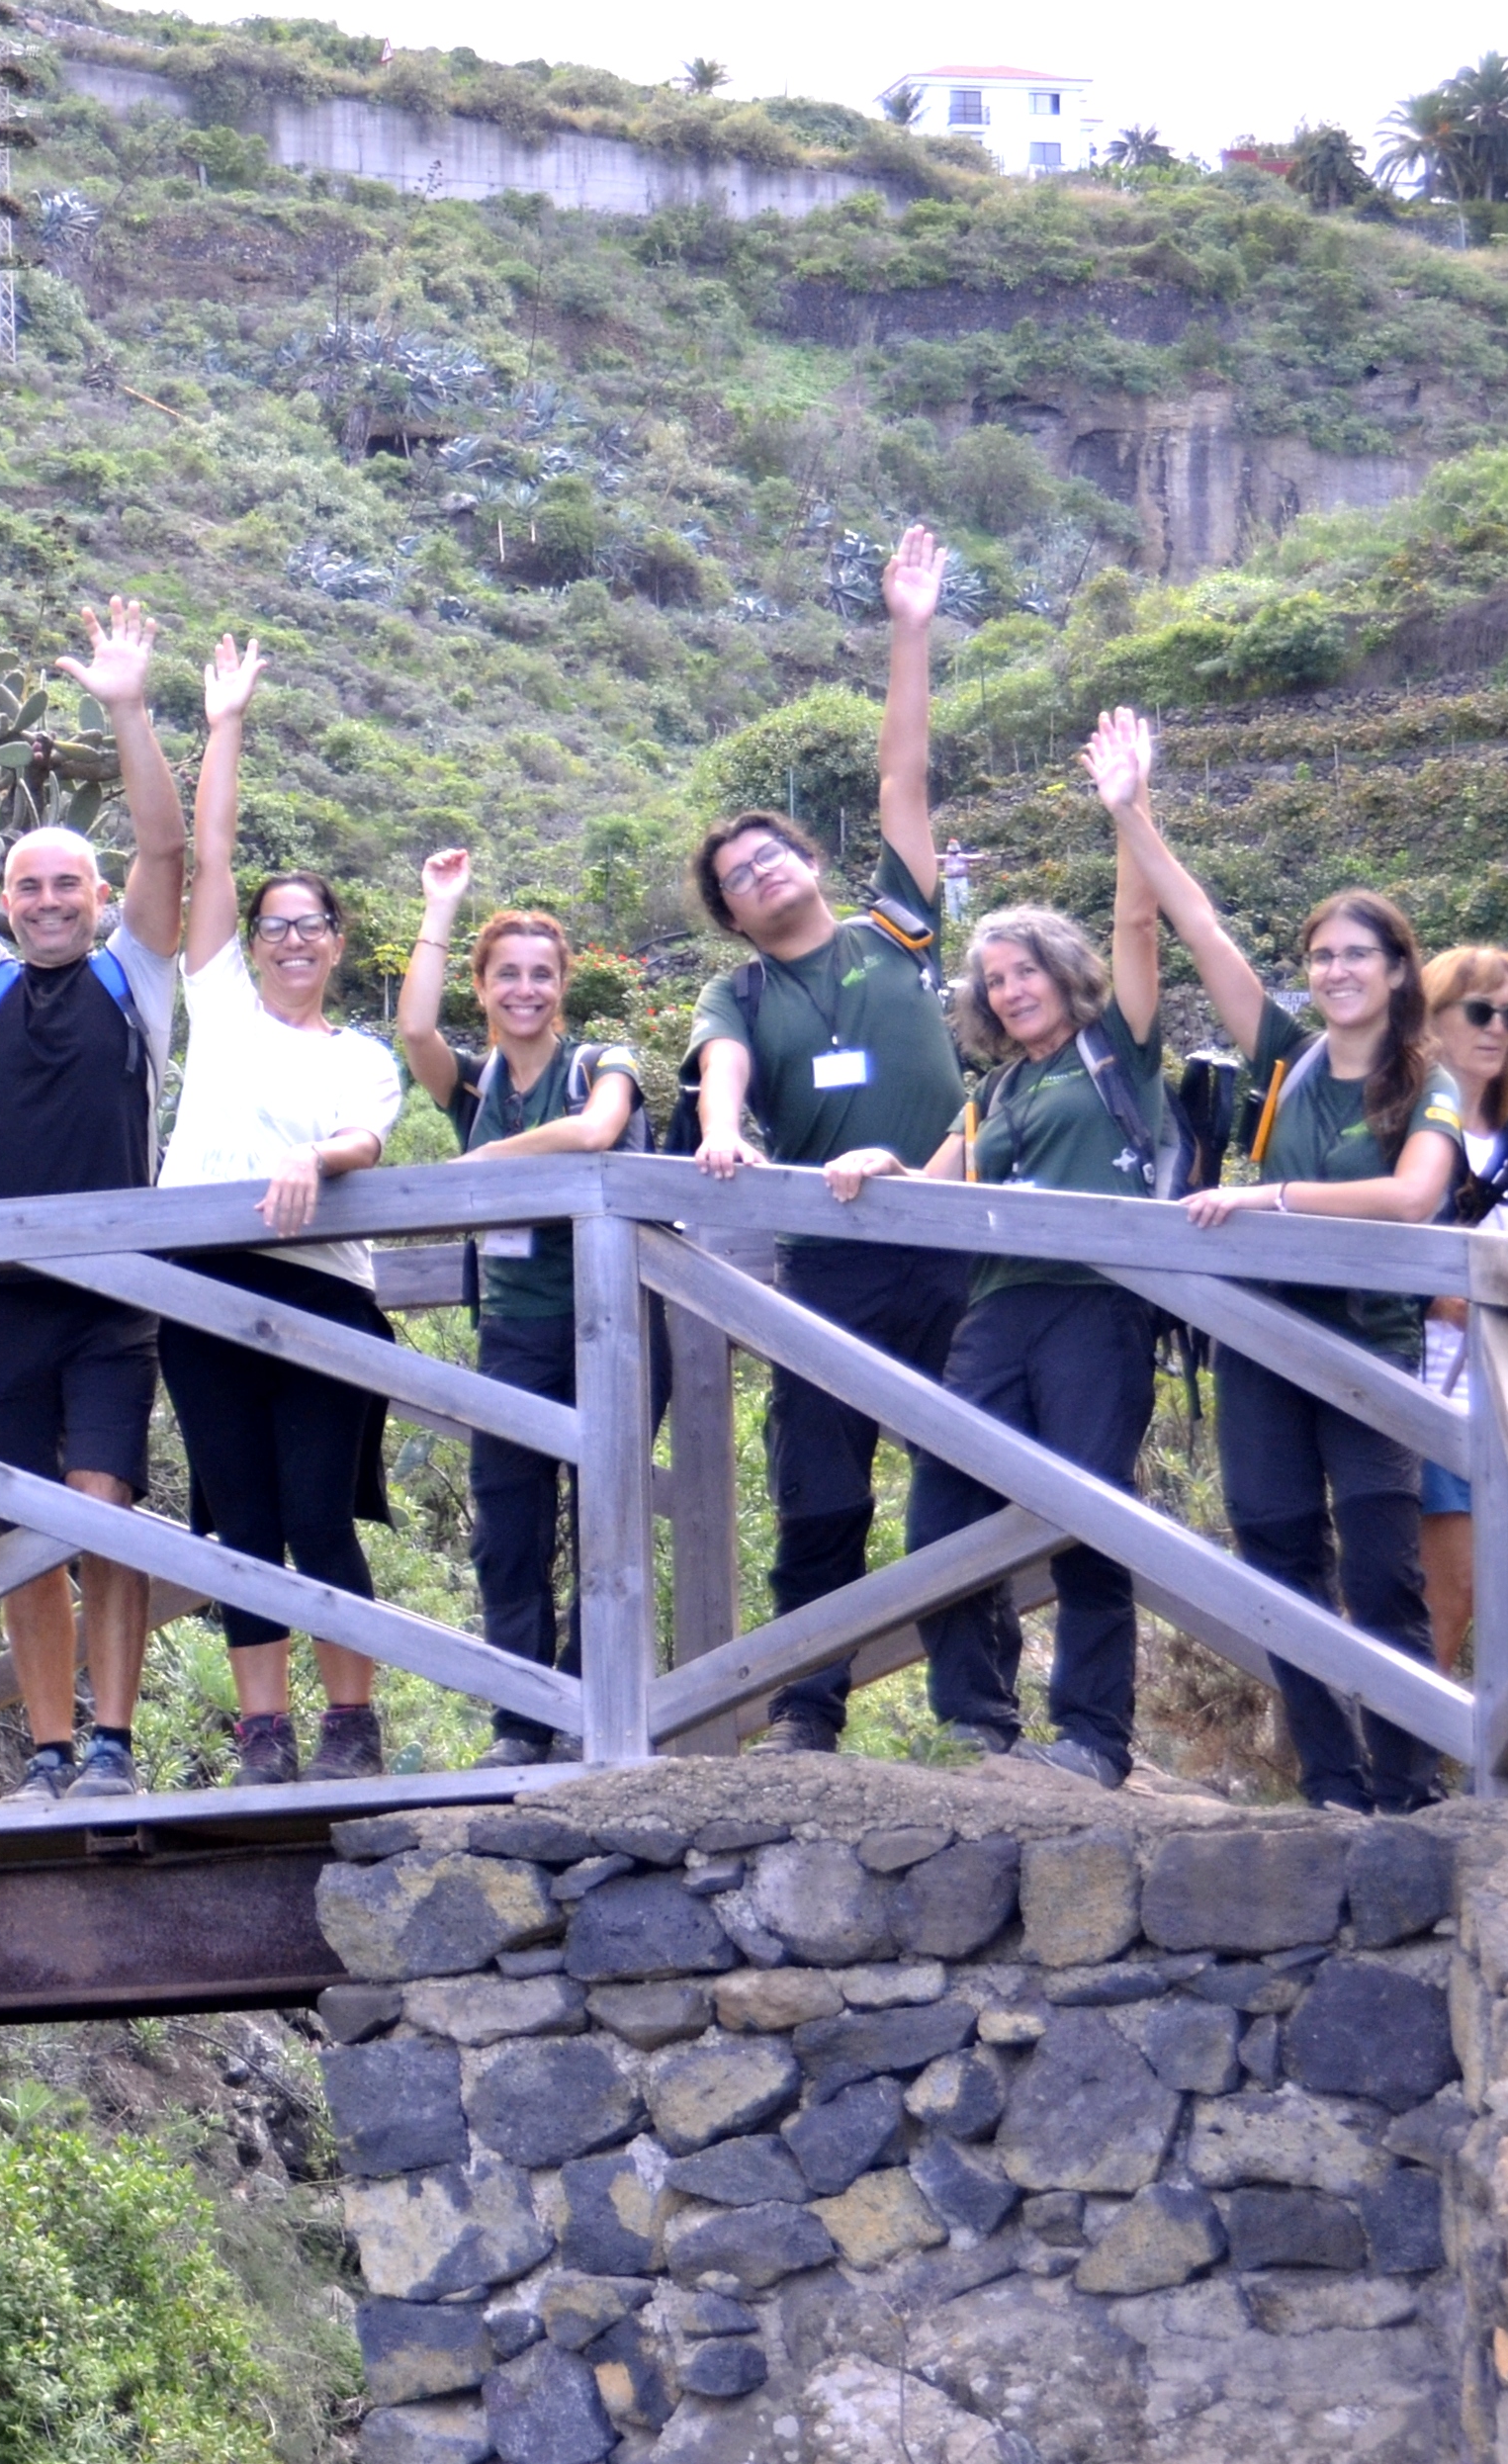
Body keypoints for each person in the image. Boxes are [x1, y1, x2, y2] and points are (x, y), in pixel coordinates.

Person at [821, 708, 1199, 1791]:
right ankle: (975, 1717)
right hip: (996, 1310)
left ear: (1059, 972)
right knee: (942, 1506)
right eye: (991, 981)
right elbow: (942, 1171)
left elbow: (1139, 930)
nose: (1007, 990)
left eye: (1023, 971)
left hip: (1094, 1306)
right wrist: (886, 1171)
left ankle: (1091, 1736)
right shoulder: (997, 1086)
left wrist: (1128, 809)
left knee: (1088, 1515)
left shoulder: (1110, 1052)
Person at [0, 600, 202, 1804]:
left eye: (70, 882)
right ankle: (50, 1751)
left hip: (118, 1300)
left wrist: (125, 707)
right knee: (18, 1528)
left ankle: (110, 1747)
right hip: (5, 1301)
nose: (50, 899)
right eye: (29, 885)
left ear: (101, 894)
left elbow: (169, 855)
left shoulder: (137, 979)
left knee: (104, 1510)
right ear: (4, 901)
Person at [688, 523, 977, 1754]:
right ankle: (805, 1712)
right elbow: (721, 1076)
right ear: (730, 915)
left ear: (808, 863)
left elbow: (900, 787)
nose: (759, 873)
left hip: (954, 1248)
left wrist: (907, 629)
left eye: (770, 854)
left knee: (966, 1482)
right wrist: (718, 1137)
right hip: (825, 1262)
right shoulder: (739, 995)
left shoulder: (892, 934)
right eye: (735, 877)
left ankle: (978, 1710)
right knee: (819, 1489)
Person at [1153, 844, 1464, 1811]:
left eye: (1355, 955)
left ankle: (1406, 1788)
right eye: (1320, 955)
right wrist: (1130, 811)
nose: (1334, 970)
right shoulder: (1284, 1059)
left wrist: (1271, 1197)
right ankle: (1331, 1784)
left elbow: (1414, 1197)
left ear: (1396, 971)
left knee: (1382, 1576)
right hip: (1259, 1348)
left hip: (1368, 1353)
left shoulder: (1426, 1080)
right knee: (1278, 1563)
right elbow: (1199, 931)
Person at [154, 760, 416, 1786]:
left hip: (322, 1295)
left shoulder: (359, 1053)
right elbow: (207, 855)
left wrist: (317, 1156)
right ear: (250, 943)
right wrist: (224, 729)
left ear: (336, 942)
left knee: (315, 1513)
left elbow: (366, 1135)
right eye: (274, 924)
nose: (291, 936)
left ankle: (349, 1722)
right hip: (201, 1291)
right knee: (241, 1520)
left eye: (311, 923)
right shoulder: (217, 1006)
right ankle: (262, 1736)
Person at [392, 853, 642, 1768]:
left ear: (563, 984)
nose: (526, 989)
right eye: (508, 975)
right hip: (515, 1329)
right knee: (509, 1528)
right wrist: (440, 908)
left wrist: (486, 1163)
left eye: (542, 974)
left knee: (605, 1525)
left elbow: (595, 1132)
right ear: (484, 988)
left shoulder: (597, 1062)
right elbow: (413, 1025)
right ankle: (519, 1722)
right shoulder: (472, 1086)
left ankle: (591, 1715)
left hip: (613, 1326)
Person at [1413, 943, 1508, 1671]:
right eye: (1479, 1010)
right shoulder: (1407, 1135)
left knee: (1504, 1596)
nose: (1498, 1026)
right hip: (1424, 1390)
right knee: (1448, 1591)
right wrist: (1437, 1297)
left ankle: (1471, 1773)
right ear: (1431, 1021)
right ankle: (1400, 1766)